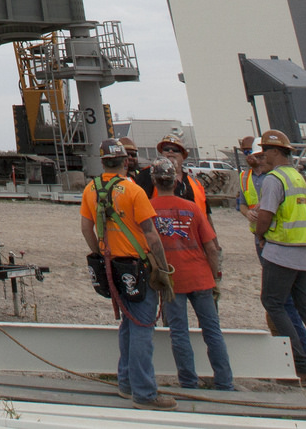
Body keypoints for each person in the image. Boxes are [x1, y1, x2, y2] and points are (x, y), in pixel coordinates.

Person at [79, 139, 178, 411]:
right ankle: (144, 394)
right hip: (138, 265)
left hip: (113, 267)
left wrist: (101, 252)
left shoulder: (91, 189)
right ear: (125, 161)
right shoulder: (134, 191)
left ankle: (126, 384)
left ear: (102, 162)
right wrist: (163, 269)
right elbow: (151, 235)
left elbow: (87, 229)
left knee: (128, 324)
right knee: (143, 328)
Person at [246, 130, 306, 388]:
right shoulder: (297, 176)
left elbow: (266, 216)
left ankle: (302, 367)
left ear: (275, 152)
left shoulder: (274, 180)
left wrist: (260, 235)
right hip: (303, 251)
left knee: (273, 302)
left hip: (281, 249)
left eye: (265, 151)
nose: (262, 155)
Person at [151, 138, 234, 393]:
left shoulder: (148, 210)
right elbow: (211, 247)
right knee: (212, 331)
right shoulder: (192, 209)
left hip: (171, 280)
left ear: (154, 182)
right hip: (200, 277)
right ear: (175, 181)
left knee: (179, 332)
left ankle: (188, 383)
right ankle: (224, 382)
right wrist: (215, 277)